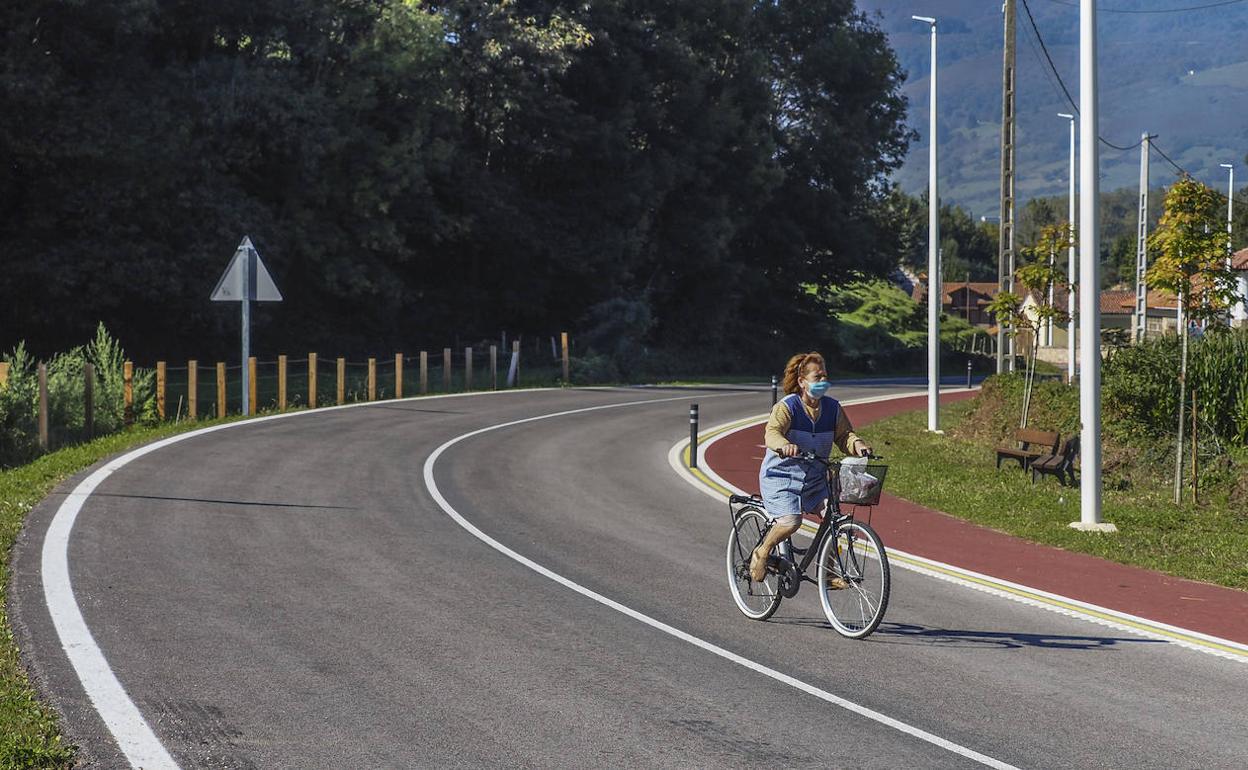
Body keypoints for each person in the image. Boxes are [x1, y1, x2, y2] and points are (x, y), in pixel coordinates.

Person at [751, 351, 872, 585]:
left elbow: (845, 435)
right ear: (802, 382)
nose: (823, 382)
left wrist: (857, 445)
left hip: (815, 480)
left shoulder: (832, 408)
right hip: (782, 478)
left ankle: (828, 571)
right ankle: (762, 551)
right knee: (790, 522)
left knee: (835, 520)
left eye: (825, 376)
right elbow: (772, 433)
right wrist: (785, 445)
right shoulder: (788, 407)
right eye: (818, 377)